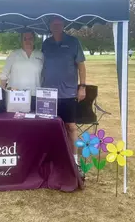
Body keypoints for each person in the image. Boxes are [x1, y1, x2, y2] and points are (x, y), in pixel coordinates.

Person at [41, 16, 86, 177]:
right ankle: (54, 159)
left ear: (63, 25)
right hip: (48, 93)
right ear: (50, 26)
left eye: (59, 24)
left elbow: (81, 66)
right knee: (50, 127)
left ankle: (75, 161)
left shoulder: (73, 42)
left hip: (68, 93)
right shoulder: (45, 44)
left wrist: (82, 87)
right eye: (54, 24)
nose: (57, 26)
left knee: (71, 127)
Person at [0, 30, 44, 110]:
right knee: (16, 121)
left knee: (34, 121)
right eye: (25, 39)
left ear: (34, 39)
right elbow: (4, 75)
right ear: (21, 40)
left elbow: (44, 76)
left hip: (35, 95)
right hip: (16, 95)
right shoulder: (14, 54)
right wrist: (2, 95)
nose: (28, 41)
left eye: (30, 38)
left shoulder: (40, 55)